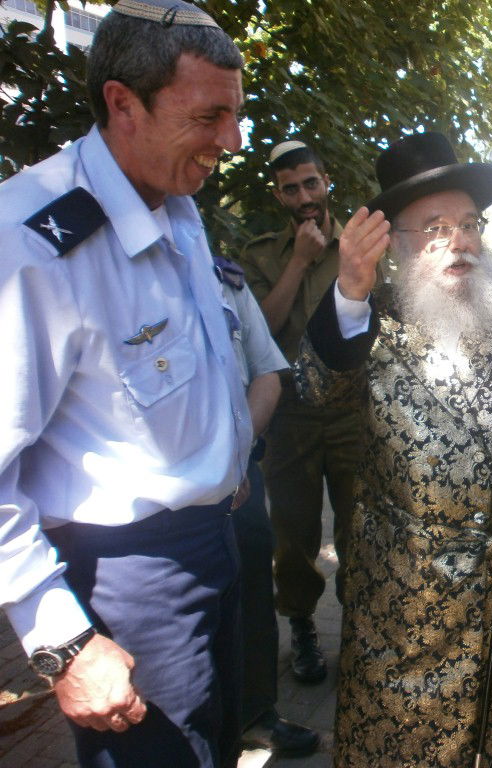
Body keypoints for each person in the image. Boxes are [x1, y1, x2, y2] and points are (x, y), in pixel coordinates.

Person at [292, 131, 492, 767]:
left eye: (468, 223)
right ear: (394, 246)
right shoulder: (368, 322)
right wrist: (348, 290)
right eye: (434, 228)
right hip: (400, 615)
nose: (459, 241)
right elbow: (315, 390)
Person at [0, 2, 252, 766]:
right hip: (126, 587)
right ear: (122, 103)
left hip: (215, 549)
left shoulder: (176, 202)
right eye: (210, 116)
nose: (231, 143)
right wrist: (67, 643)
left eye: (236, 116)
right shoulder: (33, 244)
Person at [239, 140, 361, 684]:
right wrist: (298, 261)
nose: (304, 196)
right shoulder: (260, 255)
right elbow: (257, 334)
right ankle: (304, 626)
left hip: (355, 412)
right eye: (291, 188)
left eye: (311, 183)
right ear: (278, 194)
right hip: (289, 415)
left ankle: (362, 628)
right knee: (293, 533)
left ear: (326, 180)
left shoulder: (358, 244)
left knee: (363, 527)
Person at [210, 258, 321, 758]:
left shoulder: (221, 279)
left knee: (253, 580)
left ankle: (256, 714)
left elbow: (267, 368)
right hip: (145, 497)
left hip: (236, 473)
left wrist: (236, 460)